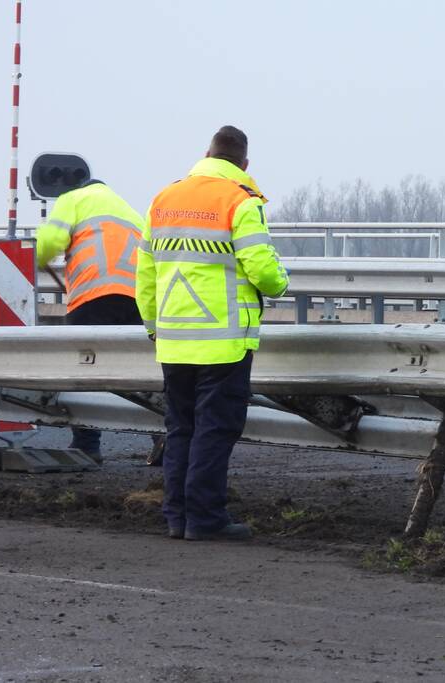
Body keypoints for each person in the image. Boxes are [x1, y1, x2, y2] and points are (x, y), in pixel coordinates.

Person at [135, 125, 289, 541]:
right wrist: (281, 282)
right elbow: (263, 271)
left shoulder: (164, 199)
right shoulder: (239, 201)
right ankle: (205, 519)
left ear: (206, 154)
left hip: (172, 339)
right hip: (223, 340)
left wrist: (153, 328)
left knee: (181, 428)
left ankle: (177, 517)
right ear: (244, 164)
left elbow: (145, 275)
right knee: (214, 430)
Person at [35, 172, 145, 462]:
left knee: (85, 369)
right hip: (137, 298)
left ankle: (87, 444)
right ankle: (162, 438)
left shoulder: (73, 199)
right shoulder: (132, 212)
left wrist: (39, 256)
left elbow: (50, 241)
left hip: (92, 295)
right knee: (141, 375)